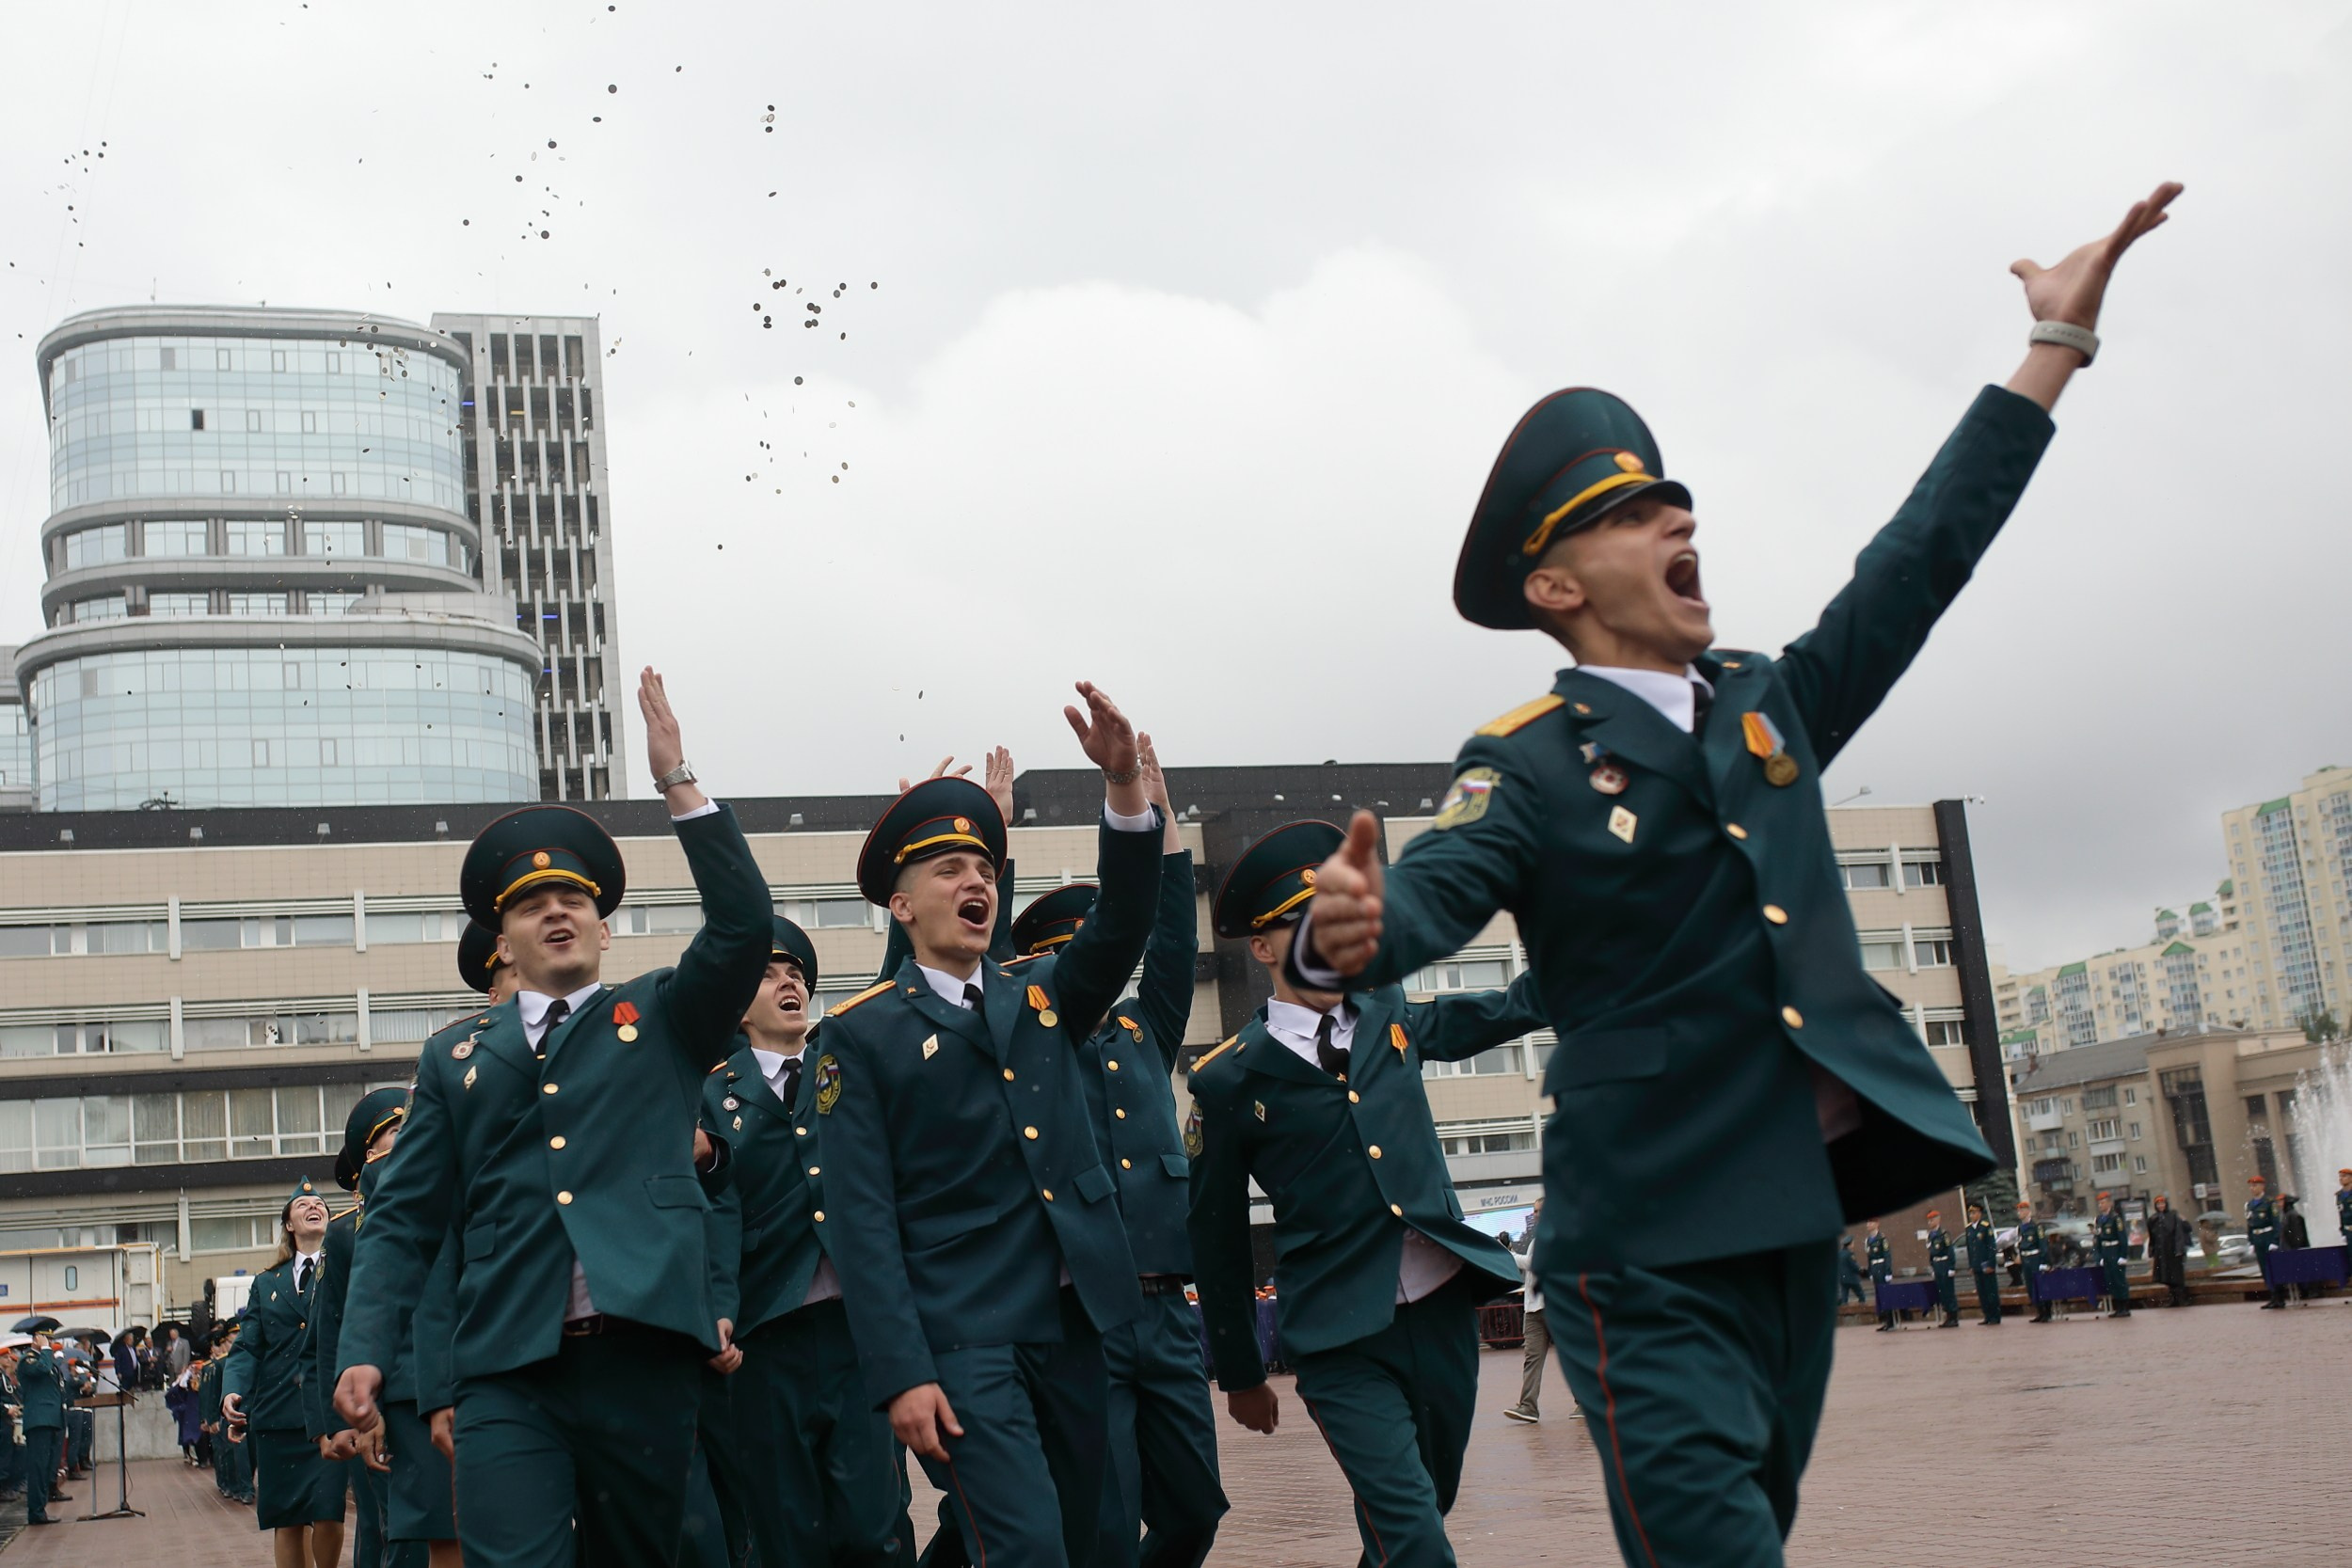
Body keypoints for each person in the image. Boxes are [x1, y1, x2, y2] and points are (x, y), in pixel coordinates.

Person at [1289, 182, 2183, 1565]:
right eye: (1634, 512)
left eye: (1678, 502)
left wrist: (2053, 347)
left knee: (1744, 1528)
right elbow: (1437, 890)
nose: (1675, 519)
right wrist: (1348, 931)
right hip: (1638, 1242)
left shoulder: (1772, 703)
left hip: (1788, 1221)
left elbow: (1922, 556)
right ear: (1559, 586)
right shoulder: (1524, 758)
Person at [335, 669, 769, 1568]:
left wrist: (677, 778)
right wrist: (365, 1349)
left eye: (575, 900)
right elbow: (406, 1221)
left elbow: (741, 926)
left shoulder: (662, 1016)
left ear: (605, 930)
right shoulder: (454, 1057)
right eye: (533, 905)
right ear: (504, 941)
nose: (557, 911)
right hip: (505, 1362)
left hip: (643, 1351)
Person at [822, 684, 1162, 1568]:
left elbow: (1125, 920)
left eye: (985, 871)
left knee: (1095, 1541)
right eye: (948, 872)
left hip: (1075, 1318)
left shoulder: (1045, 993)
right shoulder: (859, 1035)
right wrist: (901, 1369)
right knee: (1028, 1548)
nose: (975, 882)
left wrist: (1124, 787)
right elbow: (860, 1218)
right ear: (901, 908)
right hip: (964, 1333)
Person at [1189, 818, 1549, 1568]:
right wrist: (1242, 1371)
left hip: (1443, 1309)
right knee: (1417, 1538)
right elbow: (1217, 1233)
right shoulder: (1228, 1077)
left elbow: (1489, 1013)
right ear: (1261, 947)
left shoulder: (1387, 1010)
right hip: (1338, 1334)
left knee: (1418, 1512)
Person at [998, 734, 1229, 1568]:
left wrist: (1161, 823)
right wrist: (995, 842)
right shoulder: (1026, 1041)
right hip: (1082, 1316)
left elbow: (1169, 943)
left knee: (1196, 1508)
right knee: (1103, 1521)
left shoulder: (1143, 1029)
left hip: (1166, 1311)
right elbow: (980, 974)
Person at [703, 912, 915, 1568]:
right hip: (766, 1335)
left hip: (858, 1329)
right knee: (784, 1531)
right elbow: (714, 1207)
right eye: (767, 977)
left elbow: (897, 983)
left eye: (796, 974)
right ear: (738, 1008)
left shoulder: (844, 1058)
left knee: (874, 1525)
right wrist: (715, 1304)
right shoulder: (712, 1092)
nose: (788, 982)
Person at [307, 1085, 415, 1568]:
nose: (408, 1137)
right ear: (371, 1154)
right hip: (382, 1403)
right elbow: (330, 1332)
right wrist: (339, 1424)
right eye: (396, 1131)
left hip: (442, 1387)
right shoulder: (346, 1232)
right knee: (388, 1528)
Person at [222, 1178, 351, 1567]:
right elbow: (247, 1346)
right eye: (303, 1205)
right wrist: (233, 1390)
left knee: (328, 1511)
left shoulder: (345, 1267)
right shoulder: (266, 1283)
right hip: (278, 1416)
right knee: (287, 1519)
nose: (314, 1207)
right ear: (289, 1225)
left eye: (321, 1205)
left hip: (328, 1411)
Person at [16, 1326, 81, 1526]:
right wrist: (45, 1350)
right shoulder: (28, 1359)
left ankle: (41, 1509)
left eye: (50, 1339)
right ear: (36, 1338)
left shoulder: (47, 1359)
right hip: (39, 1420)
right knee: (38, 1467)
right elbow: (41, 1369)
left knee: (46, 1467)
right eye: (46, 1338)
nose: (49, 1342)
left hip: (52, 1419)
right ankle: (36, 1512)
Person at [2090, 1192, 2132, 1319]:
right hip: (2106, 1252)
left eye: (2103, 1202)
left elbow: (2122, 1238)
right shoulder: (2099, 1219)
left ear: (2109, 1203)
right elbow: (2097, 1239)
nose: (2100, 1205)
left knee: (2119, 1280)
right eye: (2099, 1203)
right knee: (2110, 1281)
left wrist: (2123, 1256)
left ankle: (2125, 1307)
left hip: (2115, 1251)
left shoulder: (2115, 1218)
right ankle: (2117, 1307)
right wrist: (2099, 1256)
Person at [2147, 1195, 2193, 1308]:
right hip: (2161, 1252)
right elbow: (2152, 1236)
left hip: (2173, 1250)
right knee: (2166, 1277)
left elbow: (2179, 1233)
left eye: (2162, 1204)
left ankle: (2182, 1298)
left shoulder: (2173, 1216)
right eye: (2158, 1204)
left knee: (2177, 1276)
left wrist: (2179, 1249)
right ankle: (2173, 1298)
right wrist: (2152, 1249)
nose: (2161, 1206)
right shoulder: (2153, 1219)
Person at [2248, 1176, 2285, 1309]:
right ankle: (2272, 1295)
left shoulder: (2269, 1202)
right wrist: (2251, 1242)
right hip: (2258, 1239)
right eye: (2251, 1186)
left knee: (2273, 1268)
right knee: (2264, 1269)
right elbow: (2250, 1225)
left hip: (2268, 1237)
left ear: (2262, 1186)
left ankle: (2280, 1297)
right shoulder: (2250, 1205)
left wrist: (2275, 1240)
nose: (2253, 1188)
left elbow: (2276, 1223)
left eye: (2255, 1185)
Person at [1963, 1204, 2001, 1326]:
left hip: (1986, 1265)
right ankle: (1987, 1315)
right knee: (1982, 1293)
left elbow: (1991, 1247)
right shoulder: (1969, 1229)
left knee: (1991, 1292)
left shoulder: (1985, 1227)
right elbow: (1970, 1249)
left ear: (1979, 1214)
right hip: (1977, 1266)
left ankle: (1995, 1316)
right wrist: (1971, 1265)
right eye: (1971, 1213)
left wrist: (1991, 1264)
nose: (1972, 1215)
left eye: (1974, 1213)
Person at [2014, 1202, 2053, 1323]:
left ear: (2027, 1211)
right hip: (2026, 1260)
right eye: (2018, 1210)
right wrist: (2019, 1255)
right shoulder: (2021, 1227)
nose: (2019, 1213)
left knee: (2040, 1286)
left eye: (2021, 1210)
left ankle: (2046, 1313)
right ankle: (2039, 1311)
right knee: (2031, 1287)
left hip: (2035, 1258)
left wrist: (2044, 1262)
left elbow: (2043, 1245)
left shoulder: (2036, 1226)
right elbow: (2020, 1243)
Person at [1923, 1212, 1960, 1328]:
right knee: (1942, 1293)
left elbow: (1950, 1251)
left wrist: (1951, 1267)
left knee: (1949, 1292)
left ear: (1938, 1220)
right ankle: (1947, 1317)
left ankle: (1953, 1317)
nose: (1930, 1222)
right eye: (1929, 1220)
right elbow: (1931, 1253)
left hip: (1945, 1263)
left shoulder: (1944, 1234)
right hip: (1937, 1265)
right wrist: (1932, 1267)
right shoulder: (1930, 1236)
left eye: (1932, 1220)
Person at [1865, 1222, 1894, 1331]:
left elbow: (1887, 1256)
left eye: (1870, 1222)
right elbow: (1869, 1258)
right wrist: (1870, 1272)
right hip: (1874, 1268)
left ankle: (1890, 1321)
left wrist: (1888, 1272)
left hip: (1882, 1268)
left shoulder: (1882, 1239)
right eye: (1867, 1222)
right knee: (1879, 1295)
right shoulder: (1868, 1240)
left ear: (1877, 1224)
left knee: (1885, 1293)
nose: (1868, 1225)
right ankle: (1884, 1320)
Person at [1834, 1237, 1865, 1307]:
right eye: (1852, 1243)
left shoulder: (1839, 1253)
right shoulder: (1849, 1254)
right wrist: (1860, 1270)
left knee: (1844, 1298)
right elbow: (1854, 1266)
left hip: (1843, 1279)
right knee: (1861, 1295)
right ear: (1849, 1245)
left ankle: (1844, 1313)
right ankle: (1863, 1308)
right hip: (1852, 1279)